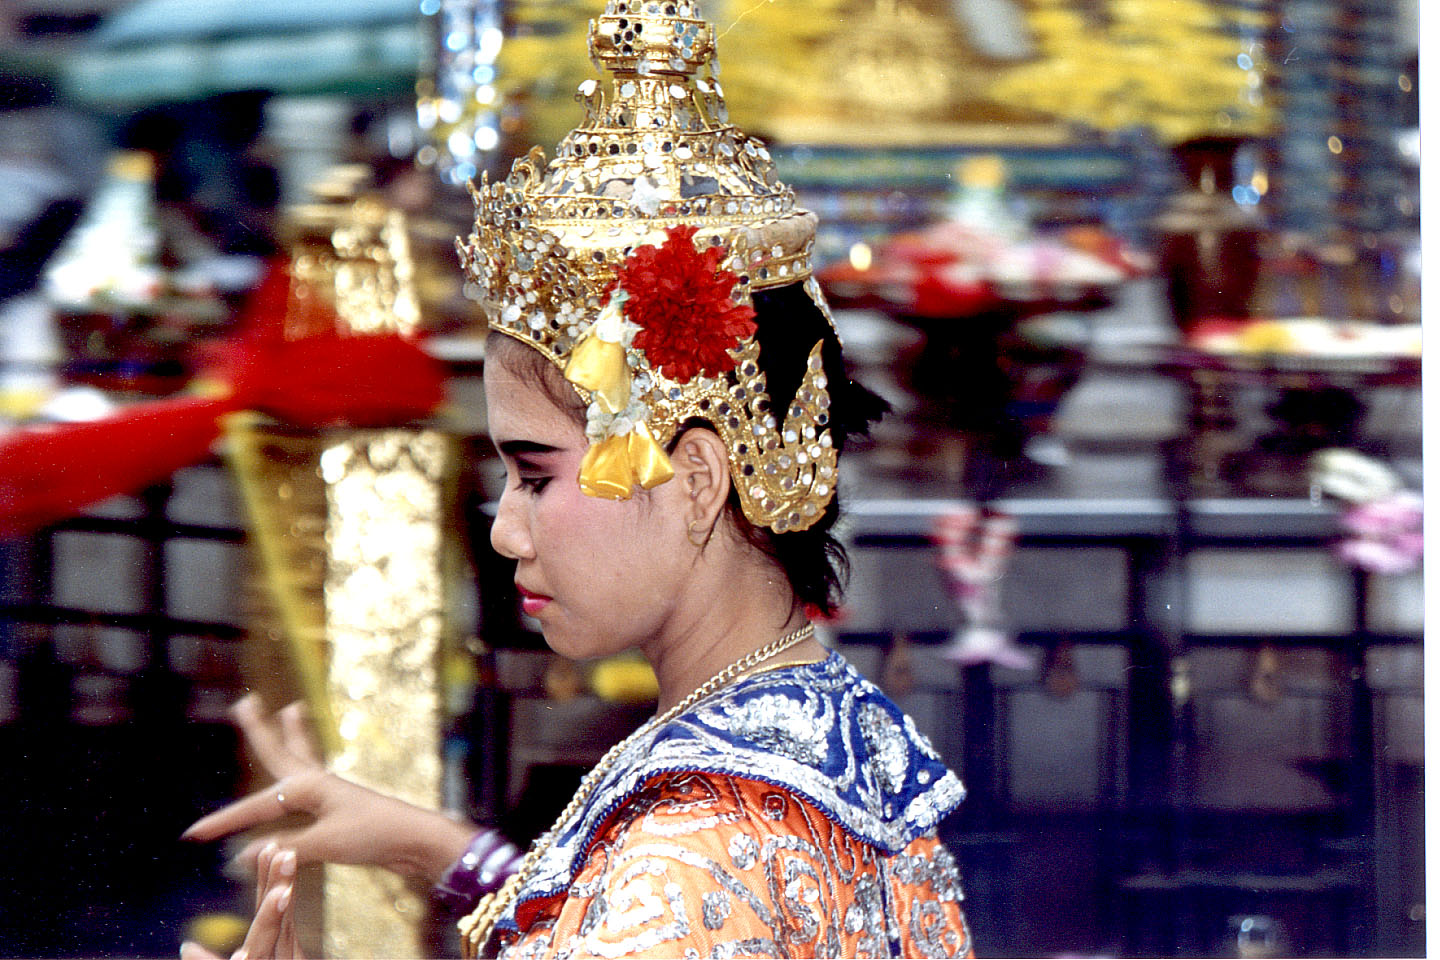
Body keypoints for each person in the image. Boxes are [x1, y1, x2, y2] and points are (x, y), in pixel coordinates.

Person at [183, 2, 974, 956]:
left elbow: (662, 907)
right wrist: (439, 848)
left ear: (696, 482)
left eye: (536, 475)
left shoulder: (688, 860)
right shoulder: (810, 731)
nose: (506, 531)